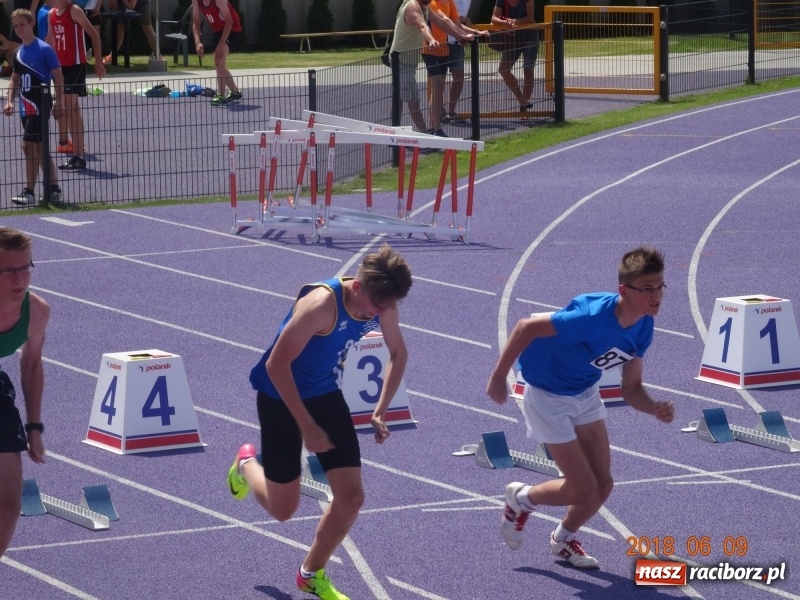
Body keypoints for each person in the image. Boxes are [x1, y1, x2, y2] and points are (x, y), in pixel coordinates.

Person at [228, 244, 412, 599]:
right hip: (279, 396)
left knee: (352, 497)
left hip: (324, 393)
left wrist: (380, 408)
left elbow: (399, 352)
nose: (377, 316)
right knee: (283, 510)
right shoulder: (321, 306)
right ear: (357, 287)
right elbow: (275, 366)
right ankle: (247, 463)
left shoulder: (382, 302)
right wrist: (307, 427)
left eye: (384, 309)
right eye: (374, 309)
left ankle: (311, 573)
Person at [486, 246, 675, 569]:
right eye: (647, 289)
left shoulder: (643, 326)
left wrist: (653, 407)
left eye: (660, 287)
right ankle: (520, 499)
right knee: (581, 487)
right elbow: (524, 327)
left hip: (584, 391)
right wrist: (498, 377)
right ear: (624, 291)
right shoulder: (592, 318)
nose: (656, 296)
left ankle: (562, 541)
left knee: (602, 485)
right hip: (546, 395)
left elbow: (631, 387)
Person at [0, 227, 51, 559]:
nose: (20, 278)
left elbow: (31, 364)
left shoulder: (37, 311)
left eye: (26, 268)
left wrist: (34, 429)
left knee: (8, 506)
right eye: (9, 270)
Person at [3, 8, 63, 206]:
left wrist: (58, 101)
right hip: (25, 106)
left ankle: (29, 191)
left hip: (39, 105)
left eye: (22, 24)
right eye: (16, 25)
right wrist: (10, 100)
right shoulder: (19, 52)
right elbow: (14, 80)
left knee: (27, 146)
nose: (19, 28)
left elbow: (58, 77)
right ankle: (53, 188)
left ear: (31, 24)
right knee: (38, 147)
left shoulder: (44, 49)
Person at [47, 0, 104, 171]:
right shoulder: (52, 14)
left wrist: (98, 63)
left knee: (69, 108)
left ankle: (78, 155)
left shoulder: (75, 11)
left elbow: (94, 35)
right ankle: (78, 154)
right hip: (61, 66)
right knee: (73, 110)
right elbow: (50, 41)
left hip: (76, 65)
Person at [420, 0, 485, 135]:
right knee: (437, 87)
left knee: (439, 88)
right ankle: (435, 127)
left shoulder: (449, 2)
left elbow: (456, 22)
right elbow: (444, 21)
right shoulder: (432, 3)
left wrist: (475, 32)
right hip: (430, 49)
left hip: (443, 48)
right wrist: (462, 35)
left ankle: (436, 126)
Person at [491, 0, 538, 115]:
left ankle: (524, 110)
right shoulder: (501, 1)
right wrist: (506, 24)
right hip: (513, 38)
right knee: (503, 69)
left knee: (528, 69)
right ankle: (522, 101)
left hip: (530, 37)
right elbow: (493, 19)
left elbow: (530, 18)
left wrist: (514, 21)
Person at [192, 0, 242, 106]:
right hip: (218, 31)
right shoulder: (196, 1)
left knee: (218, 58)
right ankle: (235, 92)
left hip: (232, 29)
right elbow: (195, 23)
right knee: (219, 63)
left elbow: (229, 22)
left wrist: (221, 44)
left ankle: (220, 95)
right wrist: (197, 42)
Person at [440, 0, 474, 124]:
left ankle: (451, 111)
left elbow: (459, 17)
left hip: (457, 40)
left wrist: (465, 23)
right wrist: (462, 19)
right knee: (439, 79)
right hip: (442, 40)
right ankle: (440, 111)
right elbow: (445, 15)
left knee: (459, 76)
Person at [102, 0, 159, 64]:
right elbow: (112, 8)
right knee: (120, 28)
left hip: (142, 3)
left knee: (148, 28)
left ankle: (158, 55)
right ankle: (112, 55)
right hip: (123, 4)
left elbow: (131, 7)